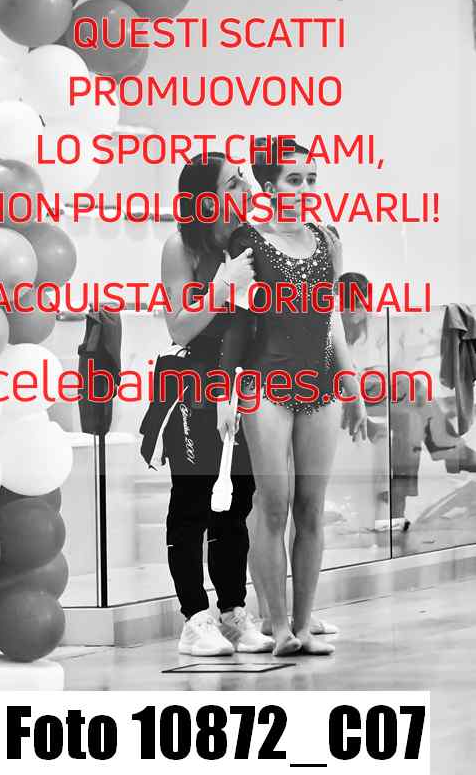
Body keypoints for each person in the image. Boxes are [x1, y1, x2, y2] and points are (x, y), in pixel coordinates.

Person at [217, 139, 367, 656]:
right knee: (273, 505)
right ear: (269, 185)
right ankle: (277, 626)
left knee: (311, 507)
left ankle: (304, 627)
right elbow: (237, 324)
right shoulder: (247, 240)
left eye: (311, 179)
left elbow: (330, 316)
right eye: (293, 179)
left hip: (320, 385)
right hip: (266, 387)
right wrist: (225, 391)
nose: (304, 189)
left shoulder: (327, 238)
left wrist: (350, 379)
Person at [139, 152, 273, 656]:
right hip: (194, 385)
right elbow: (179, 328)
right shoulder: (181, 246)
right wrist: (221, 287)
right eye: (232, 182)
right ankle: (194, 618)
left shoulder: (249, 239)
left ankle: (233, 611)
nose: (244, 187)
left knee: (236, 504)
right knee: (193, 503)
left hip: (240, 383)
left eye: (242, 178)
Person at [339, 271, 476, 530]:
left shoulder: (380, 327)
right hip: (351, 397)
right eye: (349, 302)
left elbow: (395, 368)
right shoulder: (332, 331)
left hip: (386, 393)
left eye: (360, 301)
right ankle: (453, 452)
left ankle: (397, 505)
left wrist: (377, 375)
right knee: (413, 389)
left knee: (410, 413)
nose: (355, 308)